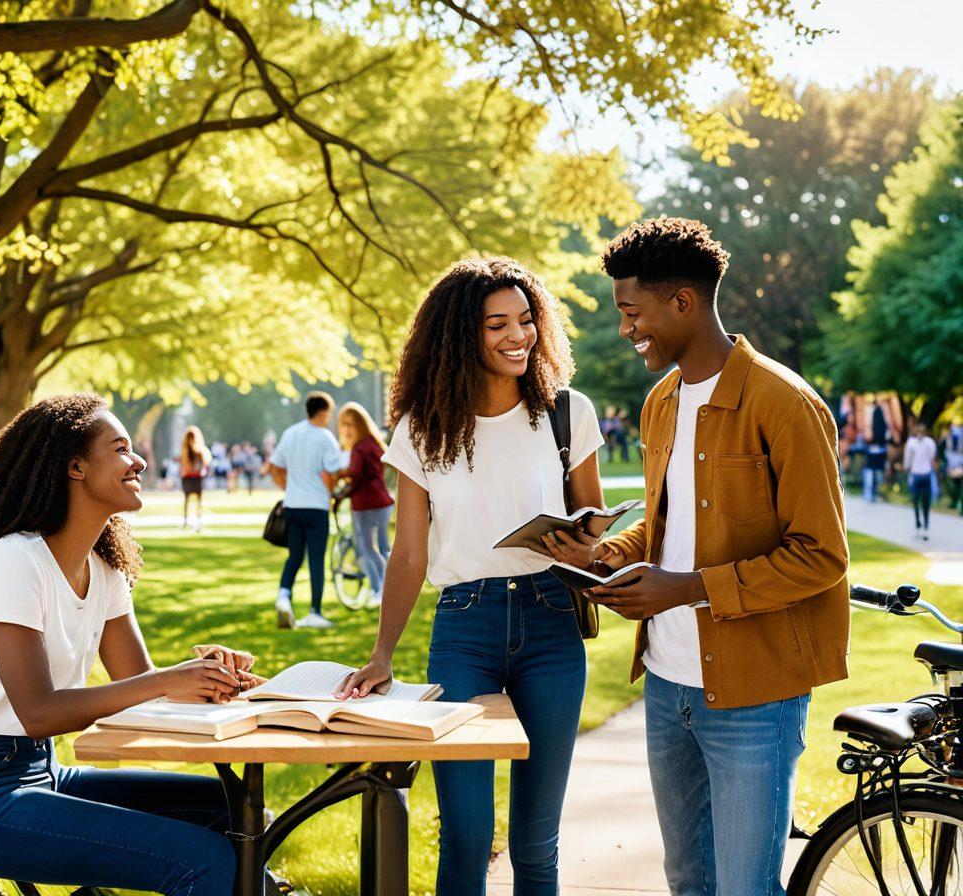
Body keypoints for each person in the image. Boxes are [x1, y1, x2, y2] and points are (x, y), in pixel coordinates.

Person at [583, 218, 849, 896]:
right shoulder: (661, 403)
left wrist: (686, 589)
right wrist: (605, 555)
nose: (625, 329)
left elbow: (820, 556)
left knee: (745, 886)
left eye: (631, 312)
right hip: (666, 687)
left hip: (755, 695)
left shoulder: (785, 404)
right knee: (688, 879)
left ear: (683, 303)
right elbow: (671, 526)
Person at [0, 393, 258, 896]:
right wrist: (165, 680)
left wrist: (211, 678)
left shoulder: (105, 571)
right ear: (75, 466)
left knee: (234, 811)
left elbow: (143, 687)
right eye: (120, 449)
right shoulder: (16, 561)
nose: (138, 459)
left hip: (42, 770)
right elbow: (39, 712)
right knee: (201, 861)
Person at [336, 257, 605, 896]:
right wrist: (382, 653)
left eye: (526, 319)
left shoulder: (567, 412)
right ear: (462, 336)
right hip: (464, 631)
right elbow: (407, 554)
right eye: (496, 325)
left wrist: (584, 545)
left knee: (536, 842)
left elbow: (593, 531)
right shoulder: (422, 430)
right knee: (465, 836)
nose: (518, 336)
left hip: (551, 623)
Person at [268, 392, 344, 629]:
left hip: (293, 505)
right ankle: (315, 612)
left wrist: (287, 486)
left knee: (295, 555)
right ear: (322, 412)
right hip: (316, 506)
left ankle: (283, 596)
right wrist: (331, 493)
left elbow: (274, 467)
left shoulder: (291, 433)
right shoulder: (325, 437)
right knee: (316, 560)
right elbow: (334, 471)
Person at [335, 402, 395, 608]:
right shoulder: (373, 443)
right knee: (383, 548)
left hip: (367, 504)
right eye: (343, 425)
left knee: (369, 550)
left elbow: (356, 477)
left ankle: (379, 590)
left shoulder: (359, 448)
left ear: (360, 424)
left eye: (351, 424)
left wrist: (341, 484)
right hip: (383, 502)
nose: (347, 430)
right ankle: (387, 588)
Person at [905, 420, 938, 540]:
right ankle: (918, 525)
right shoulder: (911, 443)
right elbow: (908, 459)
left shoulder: (929, 443)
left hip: (926, 475)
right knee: (915, 502)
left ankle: (926, 527)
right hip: (916, 474)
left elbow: (932, 459)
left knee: (926, 503)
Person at [180, 426, 212, 531]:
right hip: (188, 477)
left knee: (199, 499)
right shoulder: (185, 449)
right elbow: (185, 463)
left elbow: (206, 460)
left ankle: (199, 520)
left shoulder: (200, 449)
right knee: (187, 498)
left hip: (197, 477)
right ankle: (186, 520)